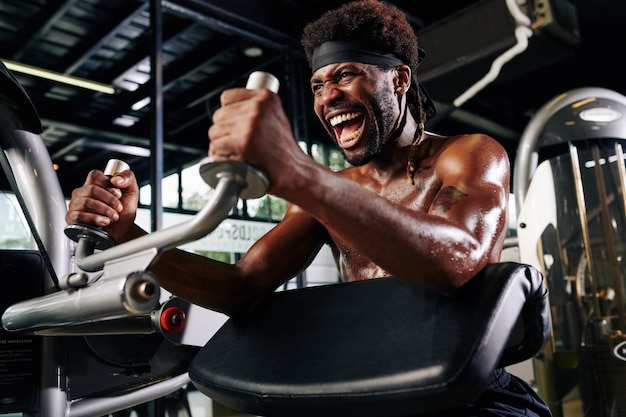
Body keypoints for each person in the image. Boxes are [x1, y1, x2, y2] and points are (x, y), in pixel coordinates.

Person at [66, 0, 551, 415]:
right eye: (317, 85)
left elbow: (456, 261)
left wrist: (299, 173)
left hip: (464, 392)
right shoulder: (333, 190)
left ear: (400, 80)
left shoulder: (467, 154)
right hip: (370, 385)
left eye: (345, 75)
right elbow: (240, 288)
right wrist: (128, 234)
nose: (328, 97)